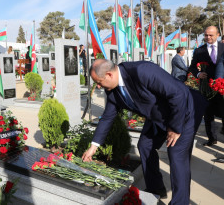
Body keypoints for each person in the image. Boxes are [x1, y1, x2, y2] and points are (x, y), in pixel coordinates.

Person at [82, 59, 207, 204]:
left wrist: (174, 128)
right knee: (145, 145)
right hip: (158, 115)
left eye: (99, 81)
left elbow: (178, 94)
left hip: (183, 110)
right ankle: (156, 188)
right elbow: (107, 117)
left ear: (109, 74)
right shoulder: (112, 90)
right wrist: (93, 148)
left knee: (177, 155)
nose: (98, 86)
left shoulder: (142, 71)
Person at [188, 26, 224, 146]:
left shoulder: (223, 48)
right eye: (206, 35)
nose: (208, 37)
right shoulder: (199, 50)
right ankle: (212, 138)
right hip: (206, 88)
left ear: (218, 35)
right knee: (208, 115)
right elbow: (192, 66)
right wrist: (198, 73)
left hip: (222, 88)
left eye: (211, 35)